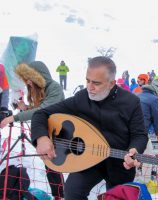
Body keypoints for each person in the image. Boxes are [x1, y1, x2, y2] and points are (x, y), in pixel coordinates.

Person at [30, 56, 148, 200]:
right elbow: (41, 113)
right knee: (72, 192)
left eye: (96, 83)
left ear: (111, 83)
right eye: (87, 80)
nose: (89, 87)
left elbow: (140, 135)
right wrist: (41, 138)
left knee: (118, 196)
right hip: (87, 160)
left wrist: (134, 150)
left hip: (121, 163)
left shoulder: (131, 102)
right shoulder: (81, 98)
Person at [0, 61, 65, 199]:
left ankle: (60, 195)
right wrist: (25, 108)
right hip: (45, 133)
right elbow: (38, 110)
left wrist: (14, 118)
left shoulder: (55, 88)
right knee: (50, 164)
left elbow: (43, 109)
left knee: (55, 165)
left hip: (60, 133)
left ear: (38, 76)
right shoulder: (37, 90)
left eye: (29, 79)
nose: (27, 83)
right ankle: (58, 195)